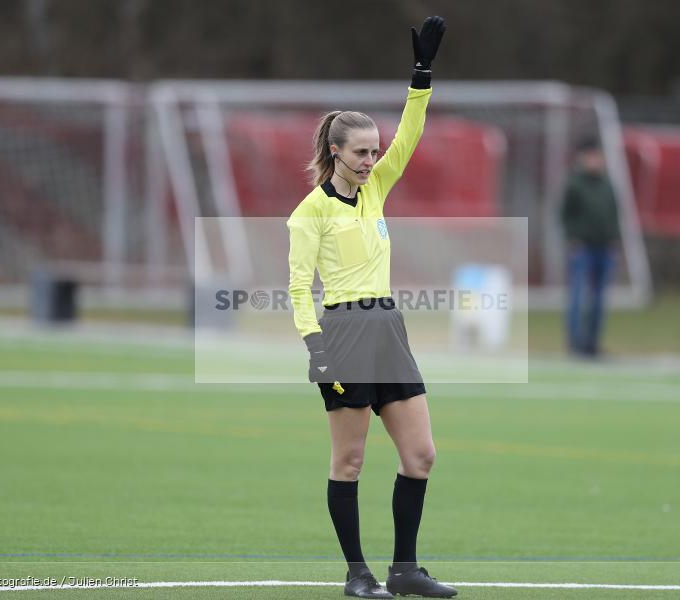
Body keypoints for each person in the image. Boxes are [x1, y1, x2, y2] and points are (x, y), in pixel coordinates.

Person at [286, 16, 457, 600]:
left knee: (421, 454)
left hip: (389, 328)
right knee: (351, 461)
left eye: (373, 152)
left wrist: (421, 77)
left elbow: (410, 136)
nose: (369, 160)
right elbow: (295, 286)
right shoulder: (310, 212)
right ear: (334, 152)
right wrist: (315, 349)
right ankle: (358, 574)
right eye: (359, 152)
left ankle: (405, 570)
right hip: (343, 334)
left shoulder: (377, 187)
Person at [559, 137, 620, 357]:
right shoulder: (575, 184)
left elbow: (614, 214)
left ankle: (592, 341)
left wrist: (614, 238)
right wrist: (572, 238)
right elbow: (564, 215)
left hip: (604, 247)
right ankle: (575, 341)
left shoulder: (607, 184)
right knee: (578, 295)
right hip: (583, 248)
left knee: (600, 298)